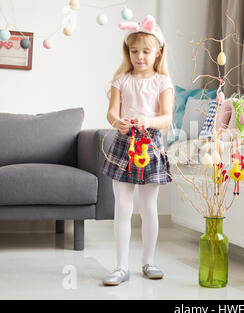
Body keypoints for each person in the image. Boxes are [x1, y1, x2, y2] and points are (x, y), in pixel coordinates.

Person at [101, 15, 173, 286]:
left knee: (148, 207)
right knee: (122, 207)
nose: (139, 56)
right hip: (124, 144)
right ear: (127, 53)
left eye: (146, 51)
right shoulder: (122, 79)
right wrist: (116, 121)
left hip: (150, 144)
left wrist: (148, 121)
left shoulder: (162, 82)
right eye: (134, 51)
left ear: (158, 52)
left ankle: (149, 261)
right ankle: (120, 266)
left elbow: (165, 117)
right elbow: (111, 111)